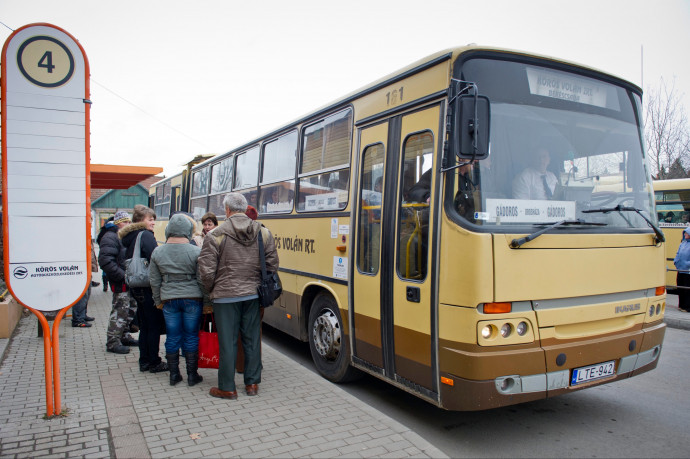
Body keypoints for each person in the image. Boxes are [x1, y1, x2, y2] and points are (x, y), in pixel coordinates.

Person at [199, 192, 279, 399]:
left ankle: (227, 387)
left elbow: (206, 272)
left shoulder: (215, 235)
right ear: (244, 208)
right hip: (253, 295)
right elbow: (272, 264)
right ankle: (252, 384)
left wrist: (212, 290)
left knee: (228, 341)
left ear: (227, 210)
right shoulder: (263, 232)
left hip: (225, 297)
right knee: (251, 339)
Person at [149, 214, 205, 386]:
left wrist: (158, 300)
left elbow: (154, 280)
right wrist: (208, 302)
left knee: (172, 337)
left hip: (169, 300)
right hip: (192, 299)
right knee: (191, 336)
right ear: (188, 231)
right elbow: (203, 279)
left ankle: (174, 375)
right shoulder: (196, 251)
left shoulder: (158, 251)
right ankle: (192, 375)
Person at [120, 205, 168, 373]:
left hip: (136, 287)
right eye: (150, 219)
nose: (153, 222)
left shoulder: (131, 236)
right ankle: (154, 361)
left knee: (145, 326)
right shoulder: (145, 235)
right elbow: (156, 258)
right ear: (140, 220)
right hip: (147, 286)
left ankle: (144, 361)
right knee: (153, 326)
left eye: (153, 219)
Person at [97, 211, 139, 354]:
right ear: (118, 223)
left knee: (129, 309)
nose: (128, 224)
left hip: (128, 281)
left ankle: (124, 336)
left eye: (129, 222)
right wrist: (123, 276)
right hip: (120, 282)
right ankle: (113, 342)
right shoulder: (111, 237)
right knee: (120, 311)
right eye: (125, 222)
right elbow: (105, 261)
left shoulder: (121, 236)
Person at [674, 227, 690, 313]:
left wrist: (687, 264)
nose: (684, 234)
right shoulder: (683, 243)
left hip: (688, 271)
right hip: (680, 269)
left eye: (686, 233)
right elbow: (678, 253)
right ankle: (681, 305)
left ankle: (687, 307)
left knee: (687, 289)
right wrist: (675, 261)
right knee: (680, 287)